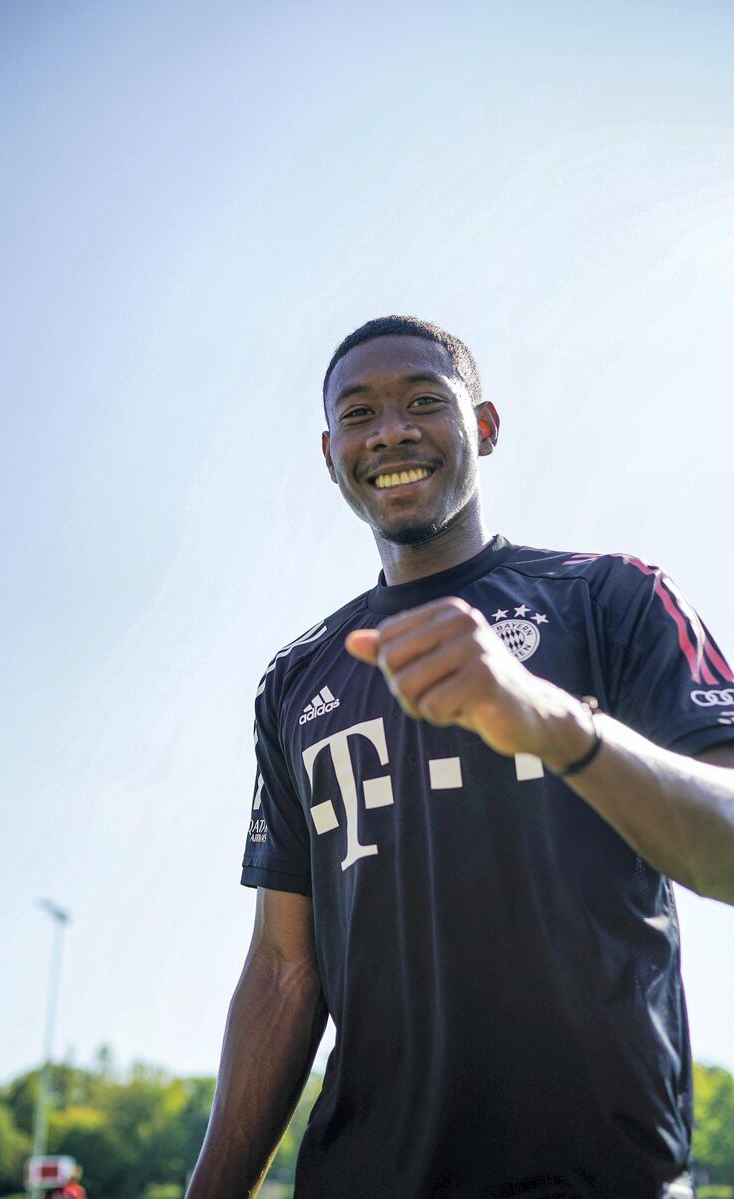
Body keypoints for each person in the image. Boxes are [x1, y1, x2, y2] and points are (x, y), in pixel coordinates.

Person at [186, 316, 734, 1199]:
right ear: (332, 454)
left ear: (483, 427)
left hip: (599, 1176)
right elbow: (286, 970)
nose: (391, 430)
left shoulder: (616, 597)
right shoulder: (296, 682)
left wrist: (554, 723)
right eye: (358, 413)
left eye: (423, 402)